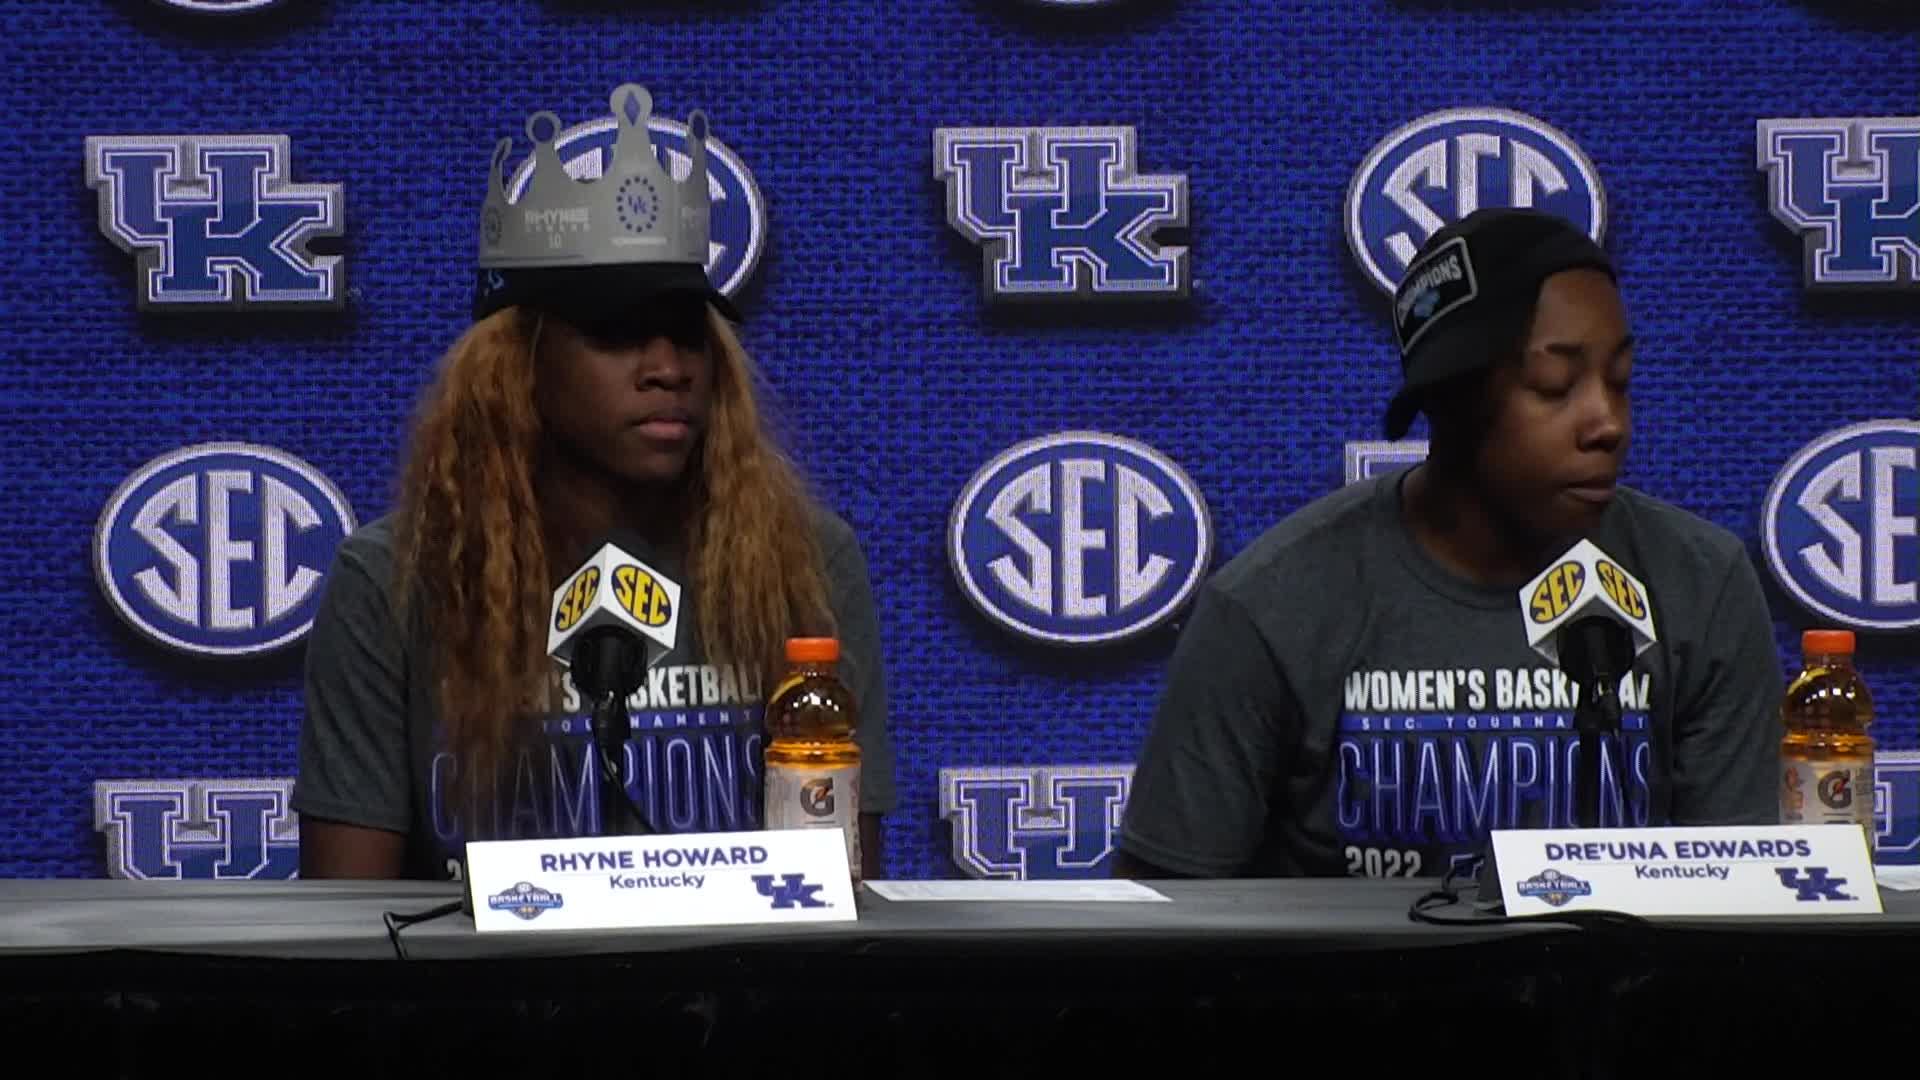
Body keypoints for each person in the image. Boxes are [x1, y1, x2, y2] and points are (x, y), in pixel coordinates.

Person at [292, 83, 896, 881]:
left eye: (688, 337)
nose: (669, 369)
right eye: (617, 336)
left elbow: (842, 888)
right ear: (518, 368)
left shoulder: (805, 560)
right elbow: (349, 919)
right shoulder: (393, 579)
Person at [1114, 207, 1781, 880]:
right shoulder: (1269, 608)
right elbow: (1164, 923)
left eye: (1620, 381)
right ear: (1449, 397)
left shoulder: (1701, 586)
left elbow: (1741, 913)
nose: (1608, 422)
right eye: (1556, 384)